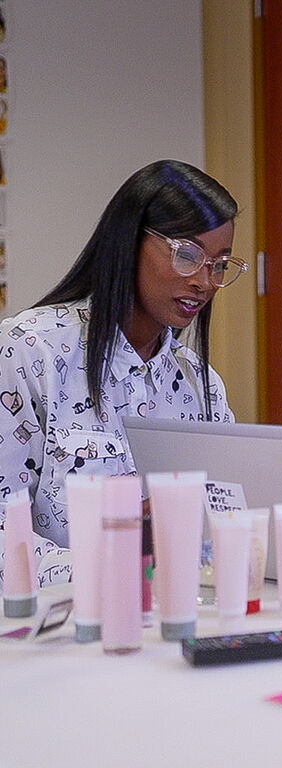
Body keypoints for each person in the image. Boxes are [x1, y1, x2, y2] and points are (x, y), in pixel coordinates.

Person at [0, 159, 247, 576]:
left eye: (219, 265)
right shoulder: (29, 352)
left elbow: (220, 525)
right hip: (55, 626)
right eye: (188, 255)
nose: (204, 283)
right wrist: (114, 564)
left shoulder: (199, 384)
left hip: (172, 615)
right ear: (129, 242)